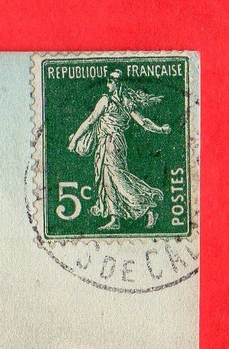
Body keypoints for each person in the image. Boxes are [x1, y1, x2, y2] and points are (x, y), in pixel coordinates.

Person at [68, 69, 172, 231]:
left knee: (117, 178)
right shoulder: (126, 101)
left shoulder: (106, 100)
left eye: (110, 81)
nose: (107, 84)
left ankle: (148, 207)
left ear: (116, 84)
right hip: (113, 144)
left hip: (110, 144)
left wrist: (74, 140)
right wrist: (160, 129)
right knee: (108, 180)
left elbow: (90, 121)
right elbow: (144, 122)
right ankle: (115, 218)